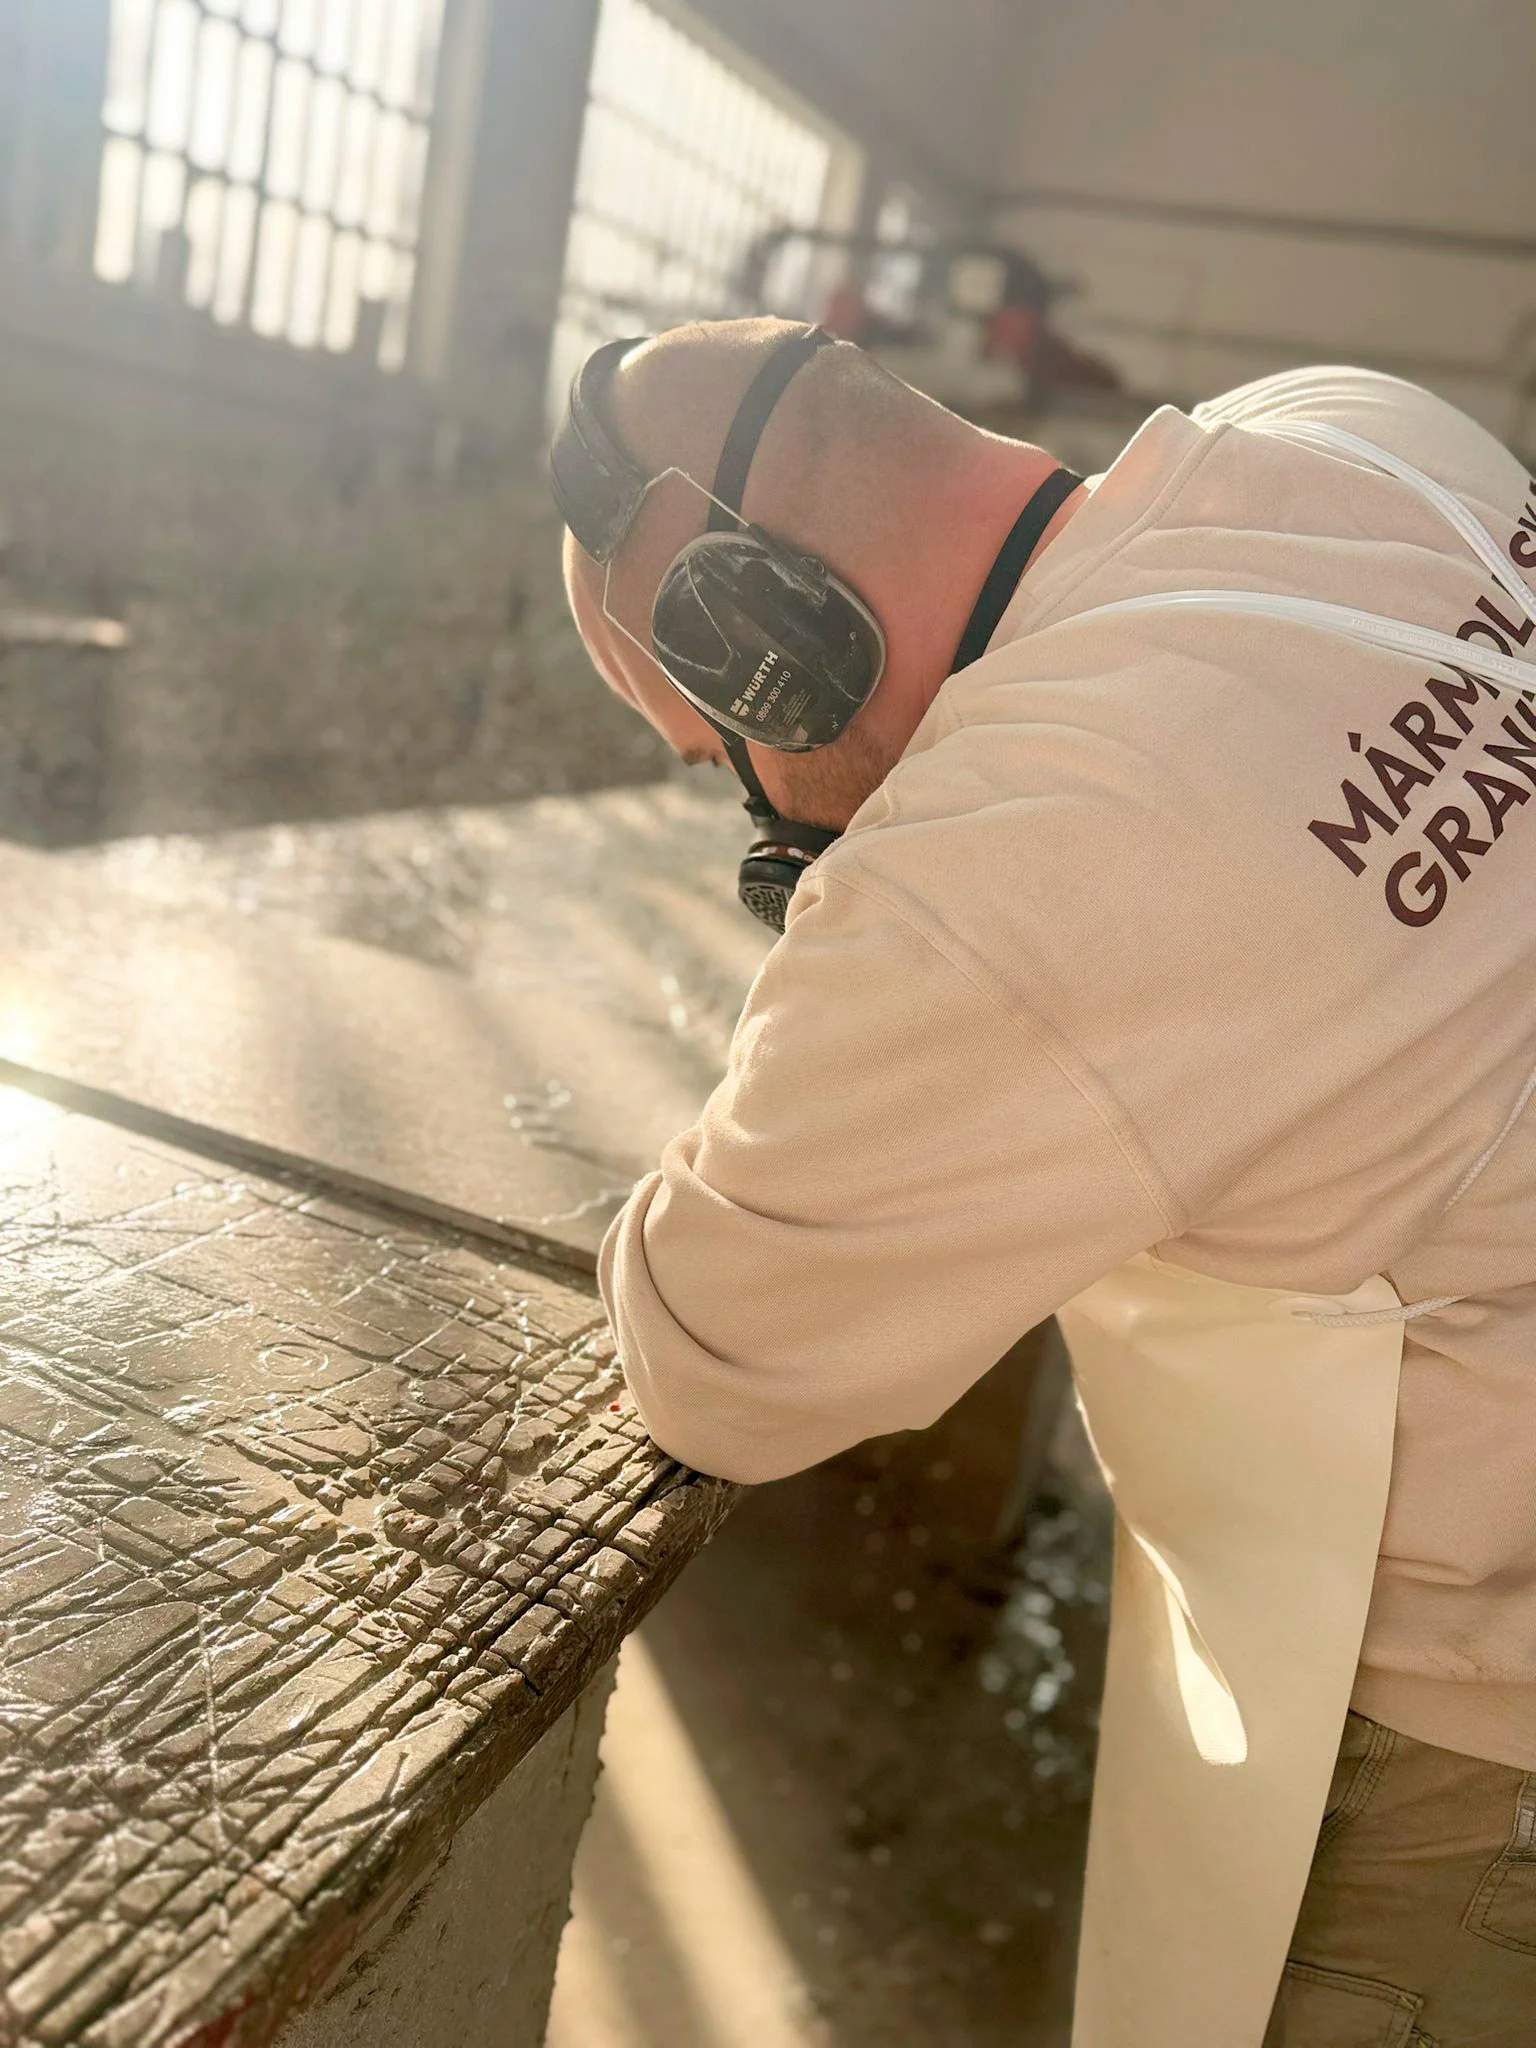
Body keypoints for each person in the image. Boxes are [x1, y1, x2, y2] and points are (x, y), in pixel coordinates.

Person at [551, 314, 1536, 2048]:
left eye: (726, 756)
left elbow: (711, 1358)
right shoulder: (1370, 426)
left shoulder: (1011, 874)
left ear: (775, 643)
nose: (759, 815)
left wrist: (844, 921)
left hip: (1489, 1736)